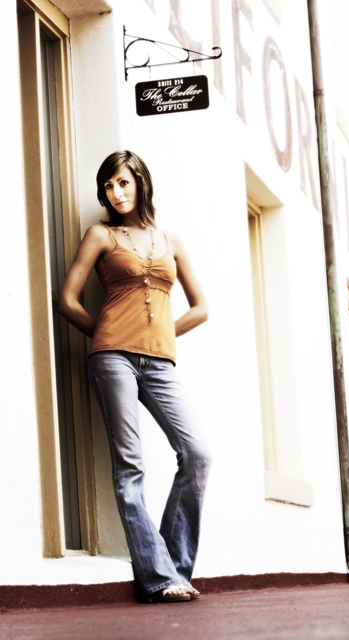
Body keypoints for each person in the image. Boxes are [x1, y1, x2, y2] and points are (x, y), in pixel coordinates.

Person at [58, 150, 212, 603]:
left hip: (159, 363)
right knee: (130, 466)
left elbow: (201, 308)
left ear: (140, 182)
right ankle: (160, 579)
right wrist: (107, 336)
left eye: (122, 182)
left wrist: (158, 335)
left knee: (198, 454)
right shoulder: (101, 235)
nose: (115, 192)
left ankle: (174, 570)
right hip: (113, 360)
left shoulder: (171, 241)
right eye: (108, 186)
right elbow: (67, 299)